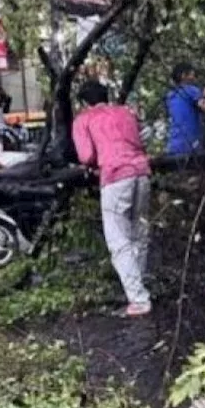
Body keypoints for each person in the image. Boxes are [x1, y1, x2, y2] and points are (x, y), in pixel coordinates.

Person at [72, 80, 153, 318]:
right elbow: (141, 139)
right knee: (140, 231)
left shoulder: (84, 119)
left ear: (84, 102)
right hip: (141, 172)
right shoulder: (125, 112)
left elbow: (86, 155)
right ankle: (137, 286)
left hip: (115, 176)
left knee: (119, 241)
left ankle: (138, 299)